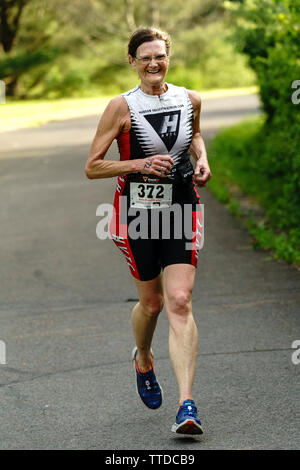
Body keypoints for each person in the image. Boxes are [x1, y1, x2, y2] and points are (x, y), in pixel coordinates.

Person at [85, 27, 211, 435]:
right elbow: (93, 165)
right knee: (153, 304)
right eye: (145, 58)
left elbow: (193, 137)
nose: (154, 64)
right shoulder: (121, 107)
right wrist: (137, 165)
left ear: (168, 57)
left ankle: (186, 406)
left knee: (179, 299)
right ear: (133, 62)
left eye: (160, 56)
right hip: (136, 214)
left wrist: (203, 160)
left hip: (181, 207)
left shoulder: (189, 99)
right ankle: (142, 356)